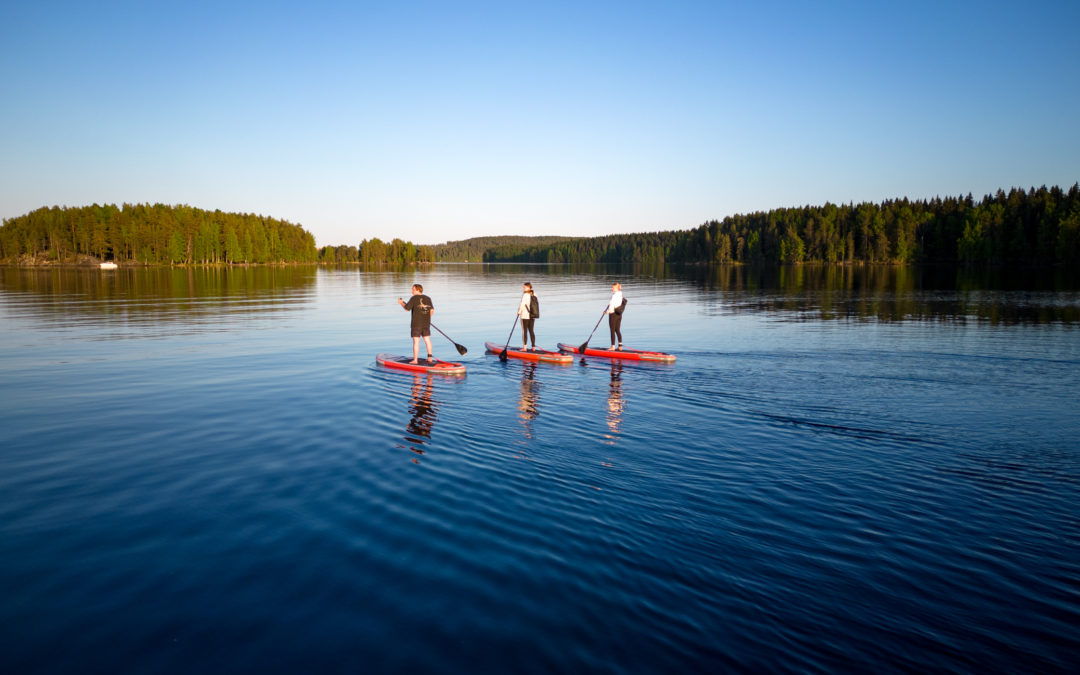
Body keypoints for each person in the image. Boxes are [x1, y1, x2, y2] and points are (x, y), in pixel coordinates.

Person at [397, 284, 434, 364]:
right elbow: (432, 311)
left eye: (413, 289)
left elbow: (407, 308)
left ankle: (415, 360)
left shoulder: (414, 298)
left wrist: (401, 302)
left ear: (418, 290)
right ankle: (430, 358)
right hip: (426, 324)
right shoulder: (428, 298)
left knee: (416, 342)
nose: (411, 291)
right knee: (427, 340)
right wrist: (427, 319)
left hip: (416, 324)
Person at [517, 282, 538, 350]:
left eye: (524, 287)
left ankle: (525, 348)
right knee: (531, 331)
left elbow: (522, 304)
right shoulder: (535, 294)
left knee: (525, 331)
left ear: (529, 287)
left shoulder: (525, 295)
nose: (523, 288)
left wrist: (519, 312)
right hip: (532, 316)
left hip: (525, 316)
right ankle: (533, 347)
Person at [605, 282, 625, 350]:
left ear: (616, 288)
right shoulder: (621, 295)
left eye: (613, 287)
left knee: (612, 330)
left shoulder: (614, 296)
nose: (612, 288)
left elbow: (611, 307)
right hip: (619, 314)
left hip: (613, 314)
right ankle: (620, 346)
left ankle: (612, 346)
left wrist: (607, 312)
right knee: (617, 330)